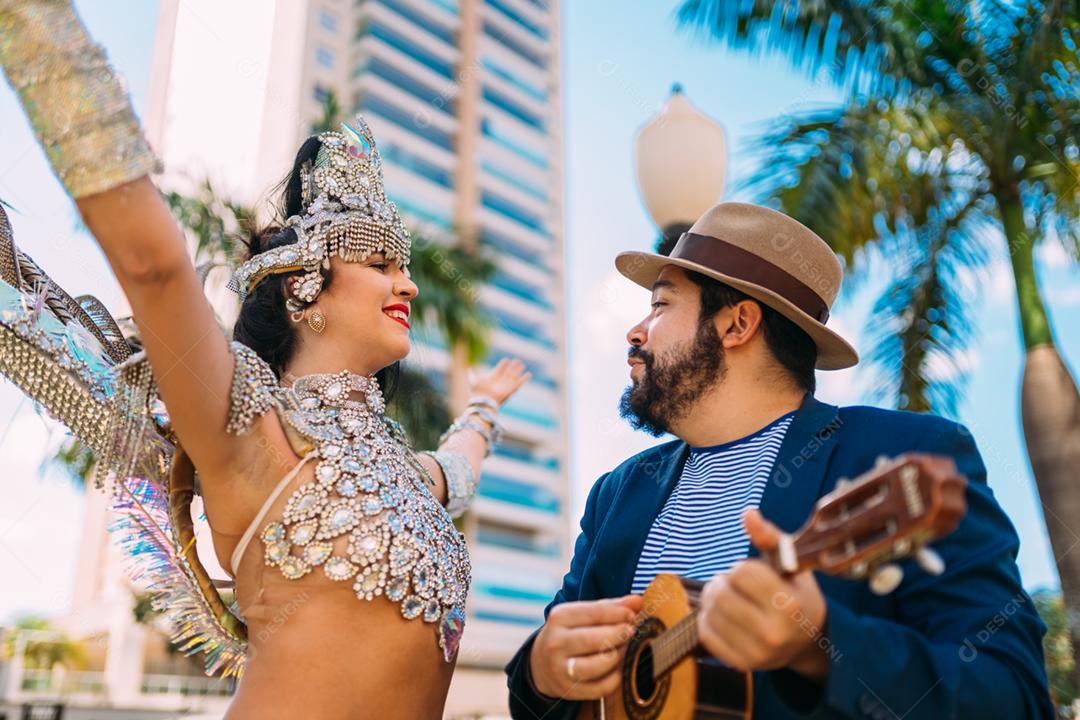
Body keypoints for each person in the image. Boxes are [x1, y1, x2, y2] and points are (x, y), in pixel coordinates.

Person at [0, 3, 528, 718]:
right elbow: (152, 264)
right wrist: (33, 27)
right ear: (304, 290)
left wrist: (486, 407)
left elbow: (458, 466)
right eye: (378, 262)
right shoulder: (251, 432)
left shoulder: (402, 473)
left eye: (403, 265)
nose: (406, 282)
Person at [505, 202, 1054, 719]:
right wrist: (539, 672)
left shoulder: (902, 457)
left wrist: (822, 639)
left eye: (661, 304)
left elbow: (1014, 695)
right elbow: (542, 696)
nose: (636, 330)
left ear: (737, 325)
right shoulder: (617, 494)